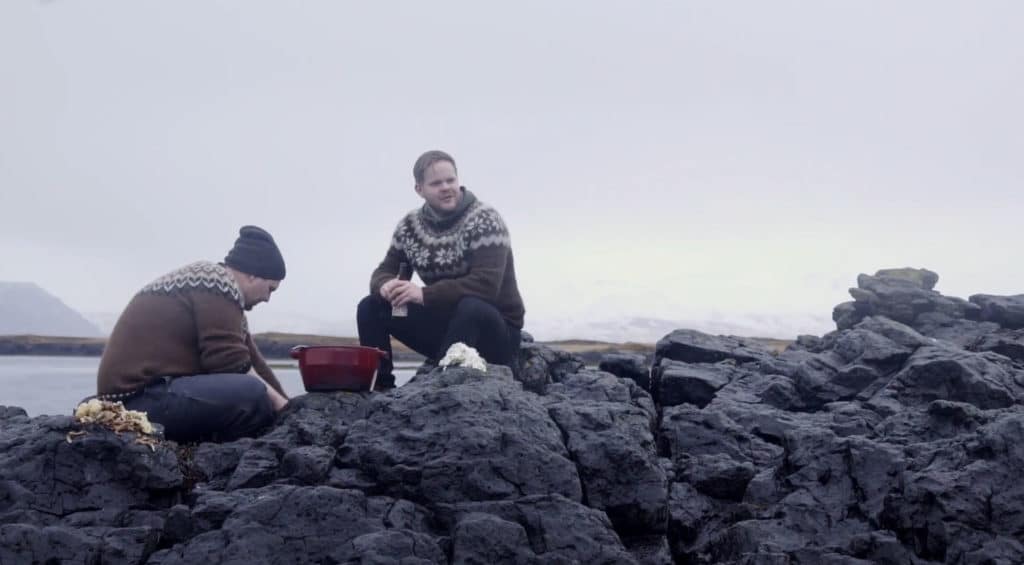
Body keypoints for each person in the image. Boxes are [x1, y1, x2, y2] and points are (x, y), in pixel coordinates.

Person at [95, 225, 289, 442]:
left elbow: (252, 362)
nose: (267, 298)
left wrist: (288, 406)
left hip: (148, 395)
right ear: (253, 274)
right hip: (134, 401)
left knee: (257, 393)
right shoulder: (215, 281)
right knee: (252, 394)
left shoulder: (224, 295)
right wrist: (282, 408)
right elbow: (230, 364)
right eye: (270, 289)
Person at [357, 150, 526, 389]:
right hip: (446, 327)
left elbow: (486, 286)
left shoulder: (485, 219)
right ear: (419, 189)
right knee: (370, 306)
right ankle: (380, 387)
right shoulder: (409, 226)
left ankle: (445, 385)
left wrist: (424, 294)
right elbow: (385, 269)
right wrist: (385, 285)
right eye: (436, 183)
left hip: (496, 333)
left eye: (451, 180)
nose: (446, 187)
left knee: (471, 307)